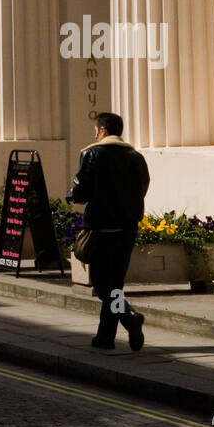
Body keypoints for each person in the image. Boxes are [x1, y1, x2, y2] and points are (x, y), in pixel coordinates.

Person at [66, 111, 150, 352]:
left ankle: (129, 316)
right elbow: (142, 187)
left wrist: (73, 192)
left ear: (101, 130)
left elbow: (81, 192)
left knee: (103, 285)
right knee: (115, 284)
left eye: (96, 129)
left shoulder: (91, 153)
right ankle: (105, 337)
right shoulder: (135, 156)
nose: (95, 133)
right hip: (127, 228)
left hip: (101, 228)